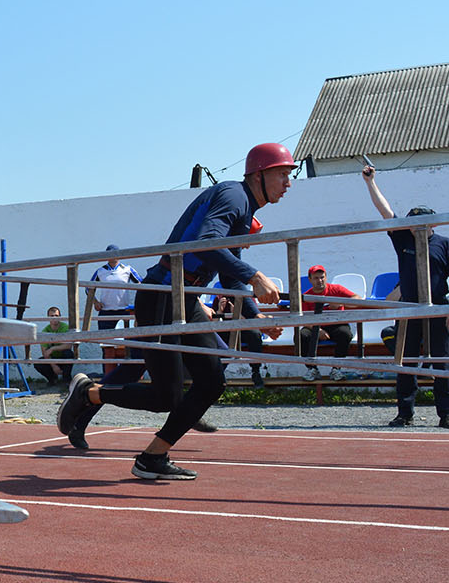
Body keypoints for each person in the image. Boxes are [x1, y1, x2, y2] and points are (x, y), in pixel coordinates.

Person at [57, 142, 293, 479]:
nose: (288, 183)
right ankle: (89, 393)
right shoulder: (234, 196)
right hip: (163, 295)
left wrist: (255, 316)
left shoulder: (244, 214)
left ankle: (152, 457)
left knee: (211, 382)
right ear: (259, 174)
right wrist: (255, 276)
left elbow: (228, 273)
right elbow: (205, 242)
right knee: (165, 395)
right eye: (283, 174)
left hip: (185, 299)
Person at [362, 163, 449, 428]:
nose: (414, 228)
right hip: (408, 309)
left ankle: (447, 414)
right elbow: (385, 211)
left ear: (431, 224)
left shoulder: (446, 244)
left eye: (420, 223)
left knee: (443, 363)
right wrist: (371, 182)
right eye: (411, 223)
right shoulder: (403, 239)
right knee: (405, 362)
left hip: (438, 308)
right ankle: (405, 413)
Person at [299, 264, 359, 379]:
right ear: (310, 279)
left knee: (345, 334)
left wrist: (341, 303)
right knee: (302, 336)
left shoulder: (336, 289)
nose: (320, 281)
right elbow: (303, 318)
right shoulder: (306, 296)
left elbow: (358, 299)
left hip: (337, 324)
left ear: (326, 277)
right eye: (316, 278)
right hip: (316, 326)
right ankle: (312, 369)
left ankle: (336, 369)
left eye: (322, 277)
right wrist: (318, 330)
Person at [88, 246, 140, 330]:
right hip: (106, 311)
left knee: (126, 339)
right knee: (104, 340)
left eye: (114, 253)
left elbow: (141, 284)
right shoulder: (100, 271)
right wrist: (96, 302)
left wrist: (139, 305)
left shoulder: (127, 269)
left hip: (124, 310)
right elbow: (88, 289)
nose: (112, 256)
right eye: (109, 254)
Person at [33, 306, 77, 385]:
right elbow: (45, 353)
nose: (54, 318)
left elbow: (68, 346)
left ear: (60, 317)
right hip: (52, 359)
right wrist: (54, 366)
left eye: (56, 316)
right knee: (38, 363)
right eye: (52, 316)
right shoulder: (45, 331)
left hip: (63, 358)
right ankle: (52, 379)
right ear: (48, 318)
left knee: (69, 353)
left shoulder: (65, 328)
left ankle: (66, 380)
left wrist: (52, 348)